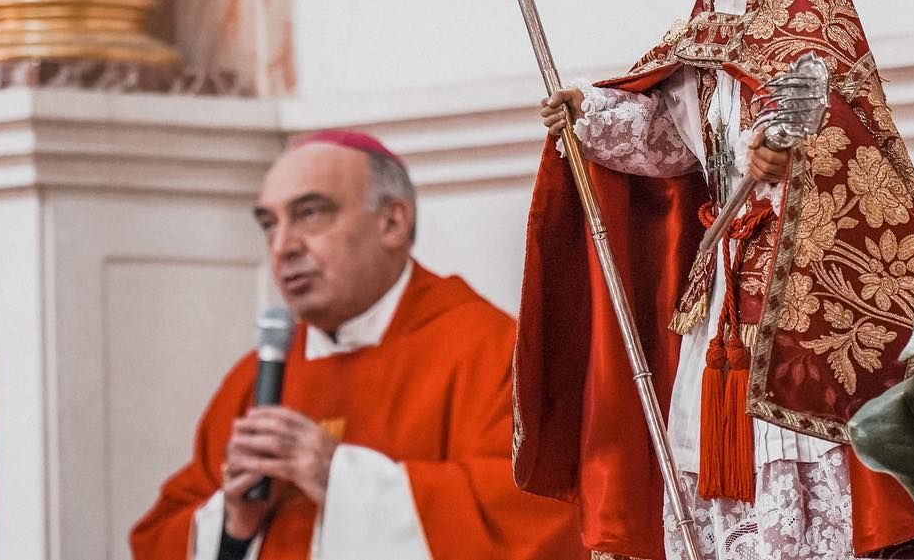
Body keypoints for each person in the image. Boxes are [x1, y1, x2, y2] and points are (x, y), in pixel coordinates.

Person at [513, 0, 914, 560]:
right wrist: (591, 116)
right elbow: (678, 134)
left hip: (796, 294)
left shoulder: (809, 0)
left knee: (802, 482)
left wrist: (788, 150)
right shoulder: (722, 2)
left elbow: (845, 139)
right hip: (722, 303)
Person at [132, 130, 583, 560]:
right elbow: (159, 535)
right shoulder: (256, 378)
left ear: (392, 222)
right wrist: (233, 525)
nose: (282, 246)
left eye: (310, 213)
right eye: (270, 224)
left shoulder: (491, 353)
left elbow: (541, 522)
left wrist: (339, 479)